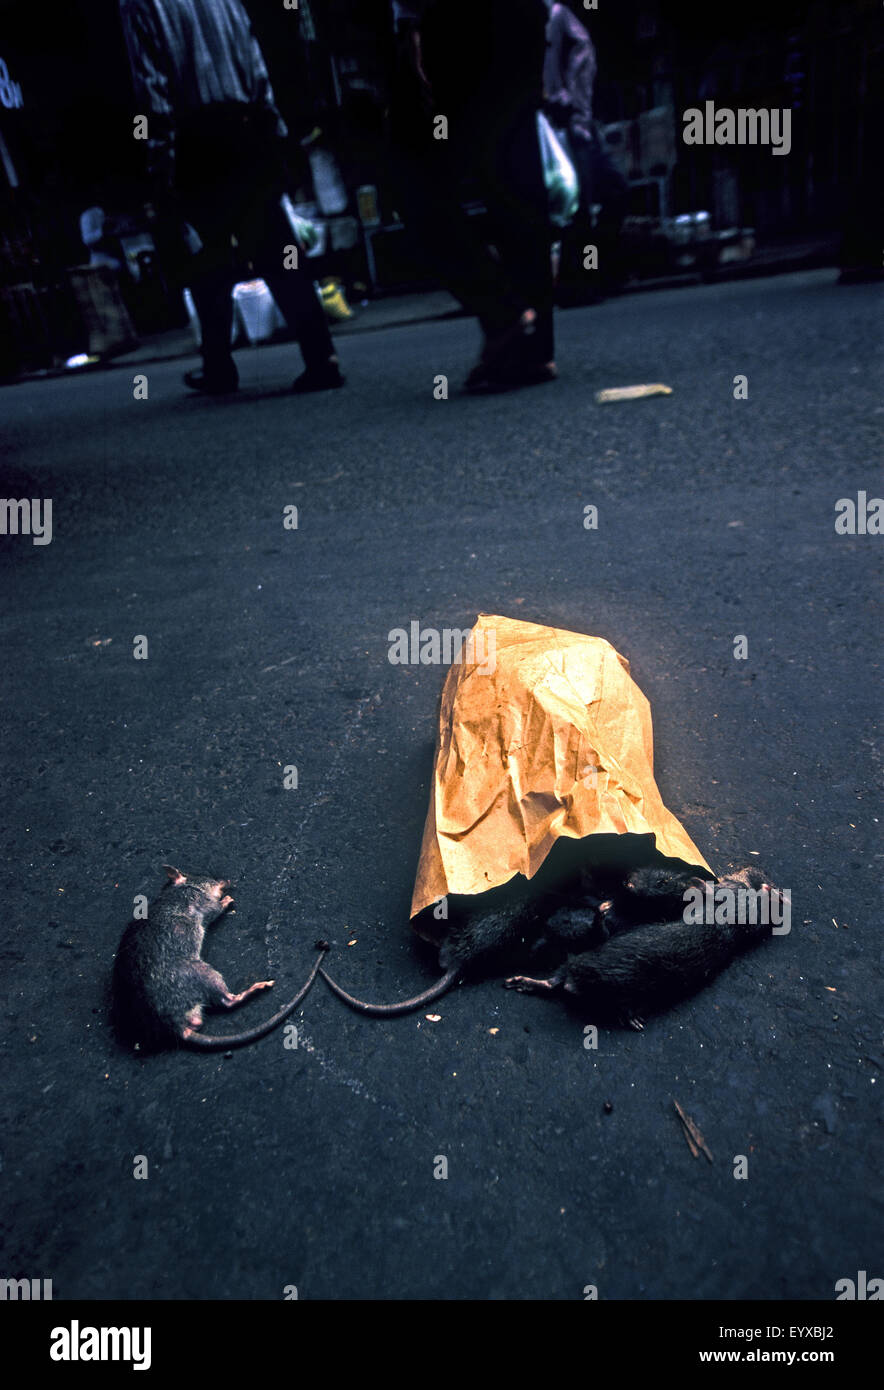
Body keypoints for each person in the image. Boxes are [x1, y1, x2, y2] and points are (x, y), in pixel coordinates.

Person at [120, 0, 344, 395]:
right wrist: (272, 128)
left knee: (209, 256)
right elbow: (255, 63)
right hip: (246, 128)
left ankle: (219, 365)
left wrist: (157, 155)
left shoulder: (140, 4)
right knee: (278, 250)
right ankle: (320, 355)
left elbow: (150, 86)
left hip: (197, 139)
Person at [390, 0, 556, 390]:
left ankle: (505, 316)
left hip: (457, 23)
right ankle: (532, 349)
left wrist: (411, 28)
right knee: (514, 176)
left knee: (412, 177)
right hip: (519, 19)